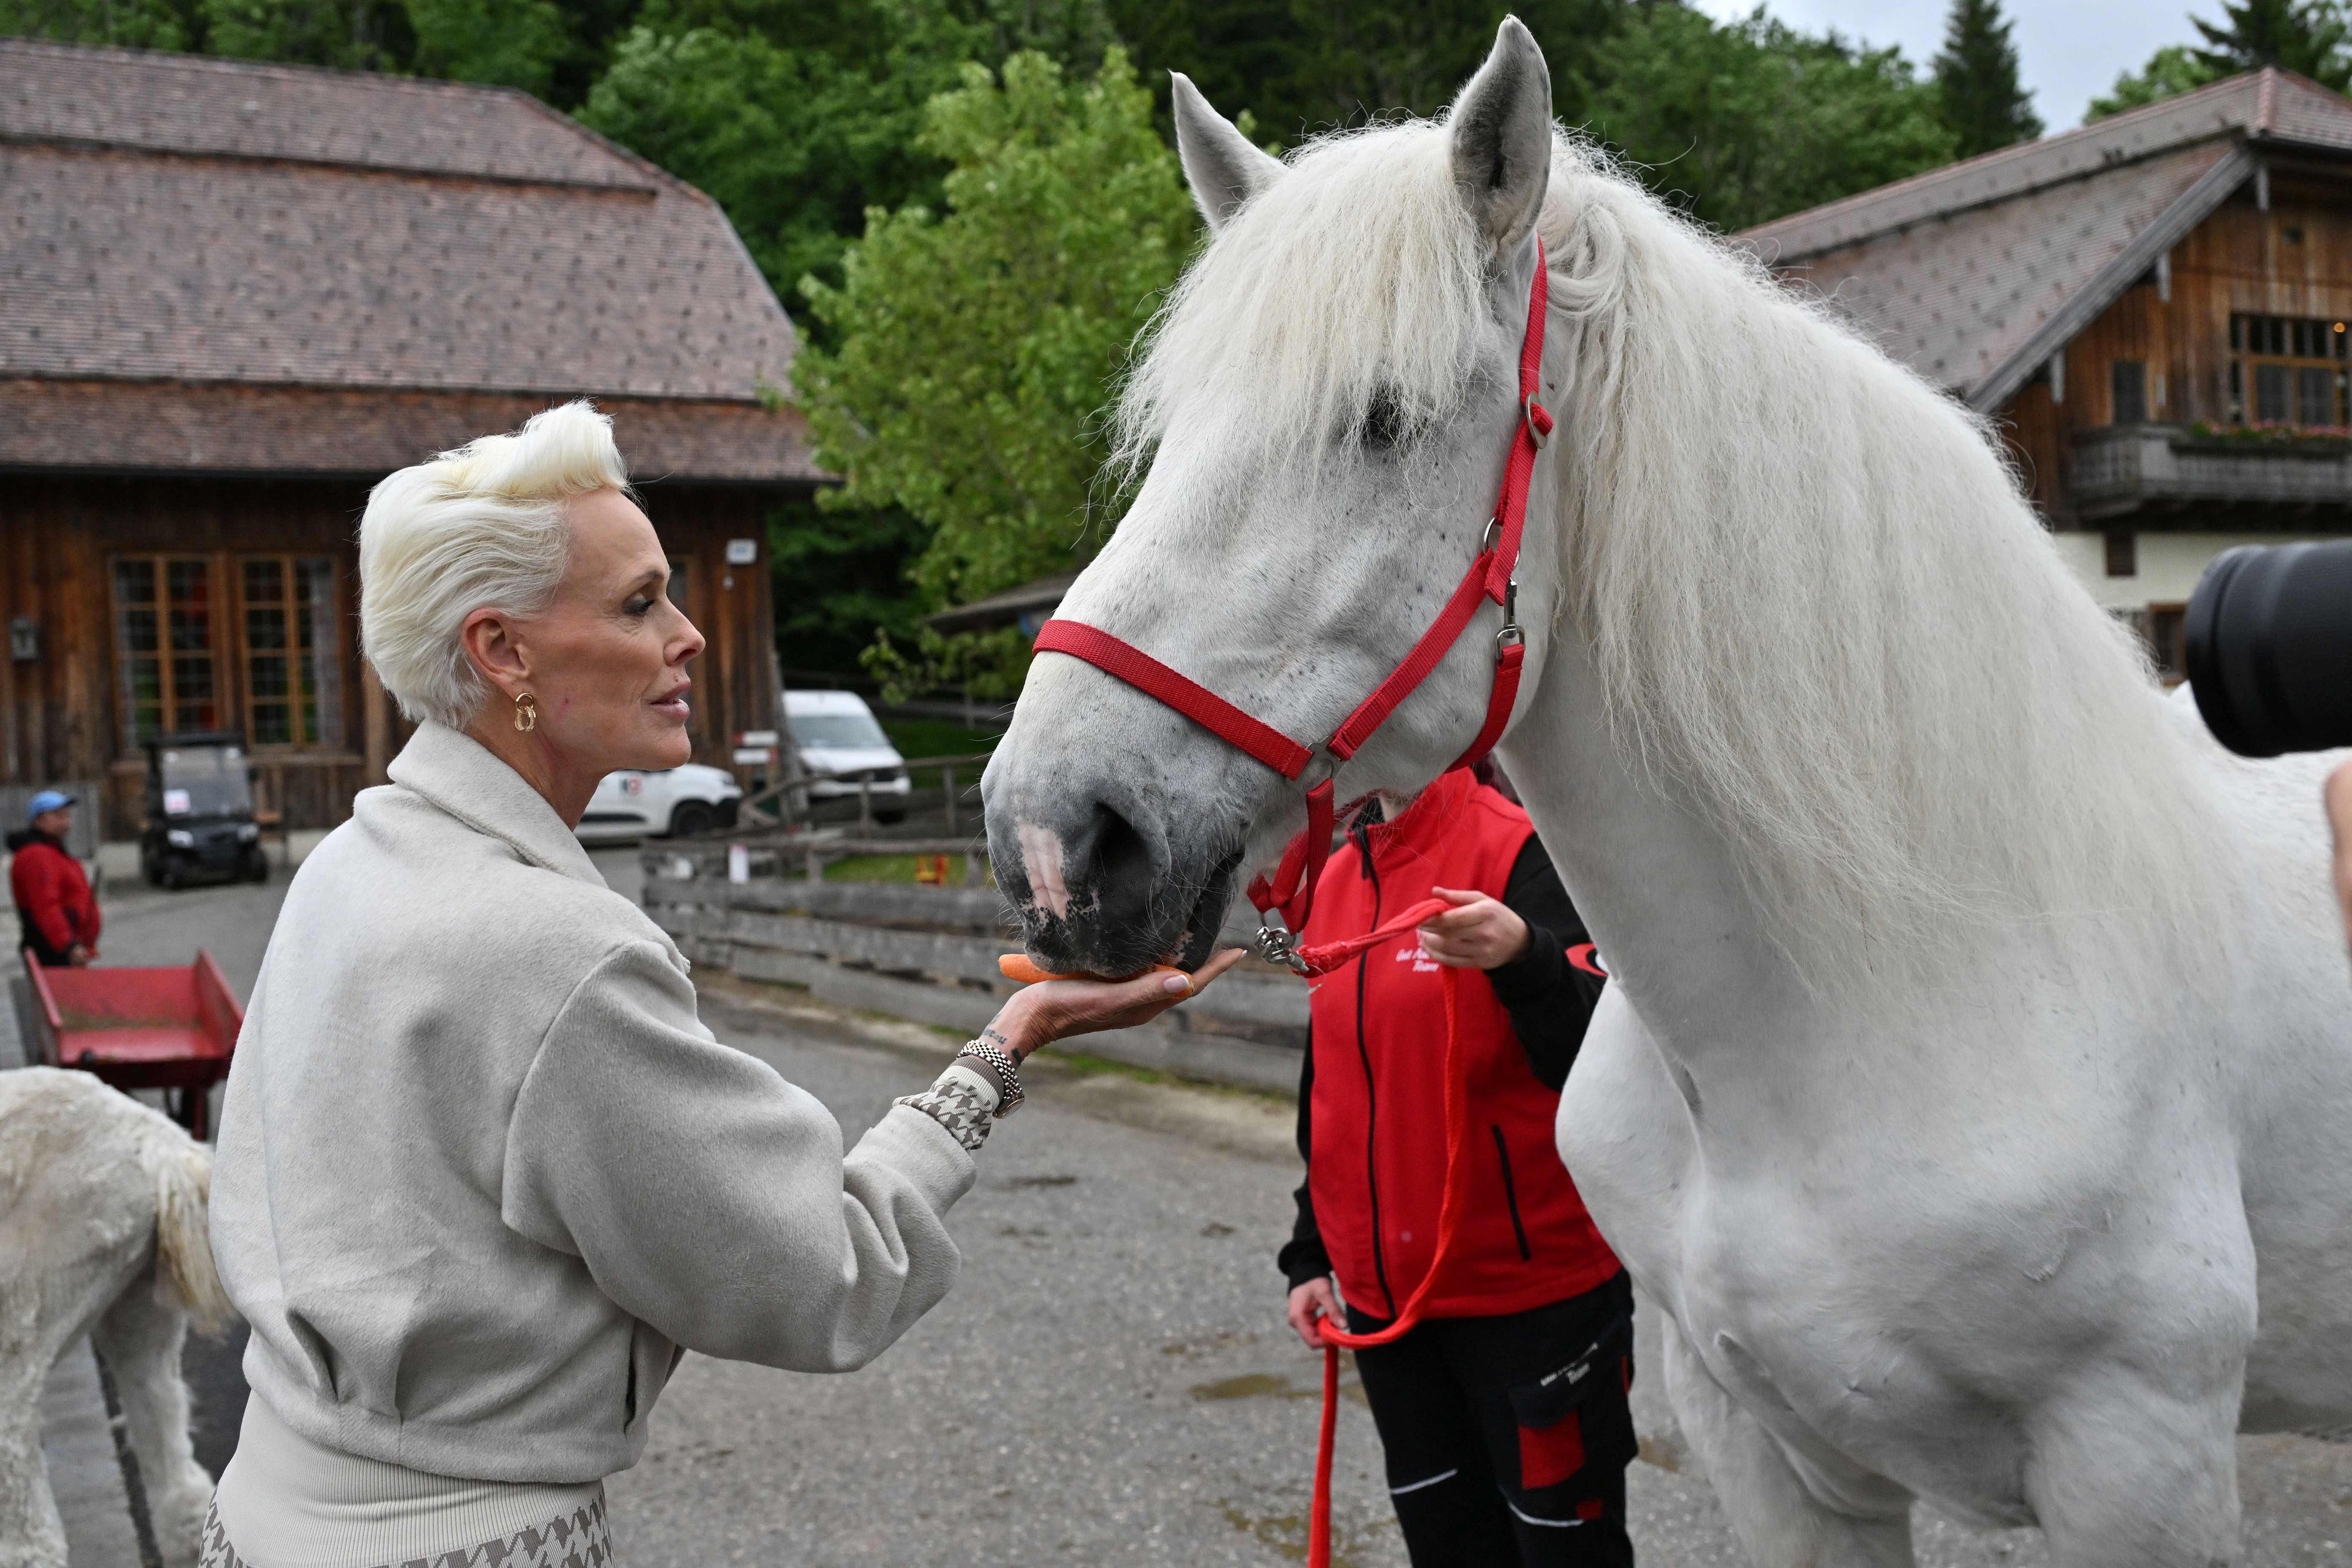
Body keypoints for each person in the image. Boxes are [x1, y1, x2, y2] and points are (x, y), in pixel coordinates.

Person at [202, 401, 1242, 1568]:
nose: (689, 634)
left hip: (259, 1507)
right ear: (504, 652)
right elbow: (824, 1271)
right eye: (639, 602)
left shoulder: (352, 861)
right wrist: (999, 1054)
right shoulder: (557, 952)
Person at [1278, 764, 1633, 1566]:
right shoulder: (1339, 871)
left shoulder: (1526, 847)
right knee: (1447, 1545)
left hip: (1531, 1298)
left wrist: (1524, 957)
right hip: (1387, 1309)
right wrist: (1311, 1251)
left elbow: (1603, 1060)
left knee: (1565, 1550)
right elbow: (1332, 1080)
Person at [8, 790, 99, 968]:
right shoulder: (36, 856)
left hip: (67, 950)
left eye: (67, 816)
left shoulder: (54, 853)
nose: (66, 822)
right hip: (52, 952)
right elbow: (46, 906)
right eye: (58, 816)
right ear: (39, 819)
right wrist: (68, 946)